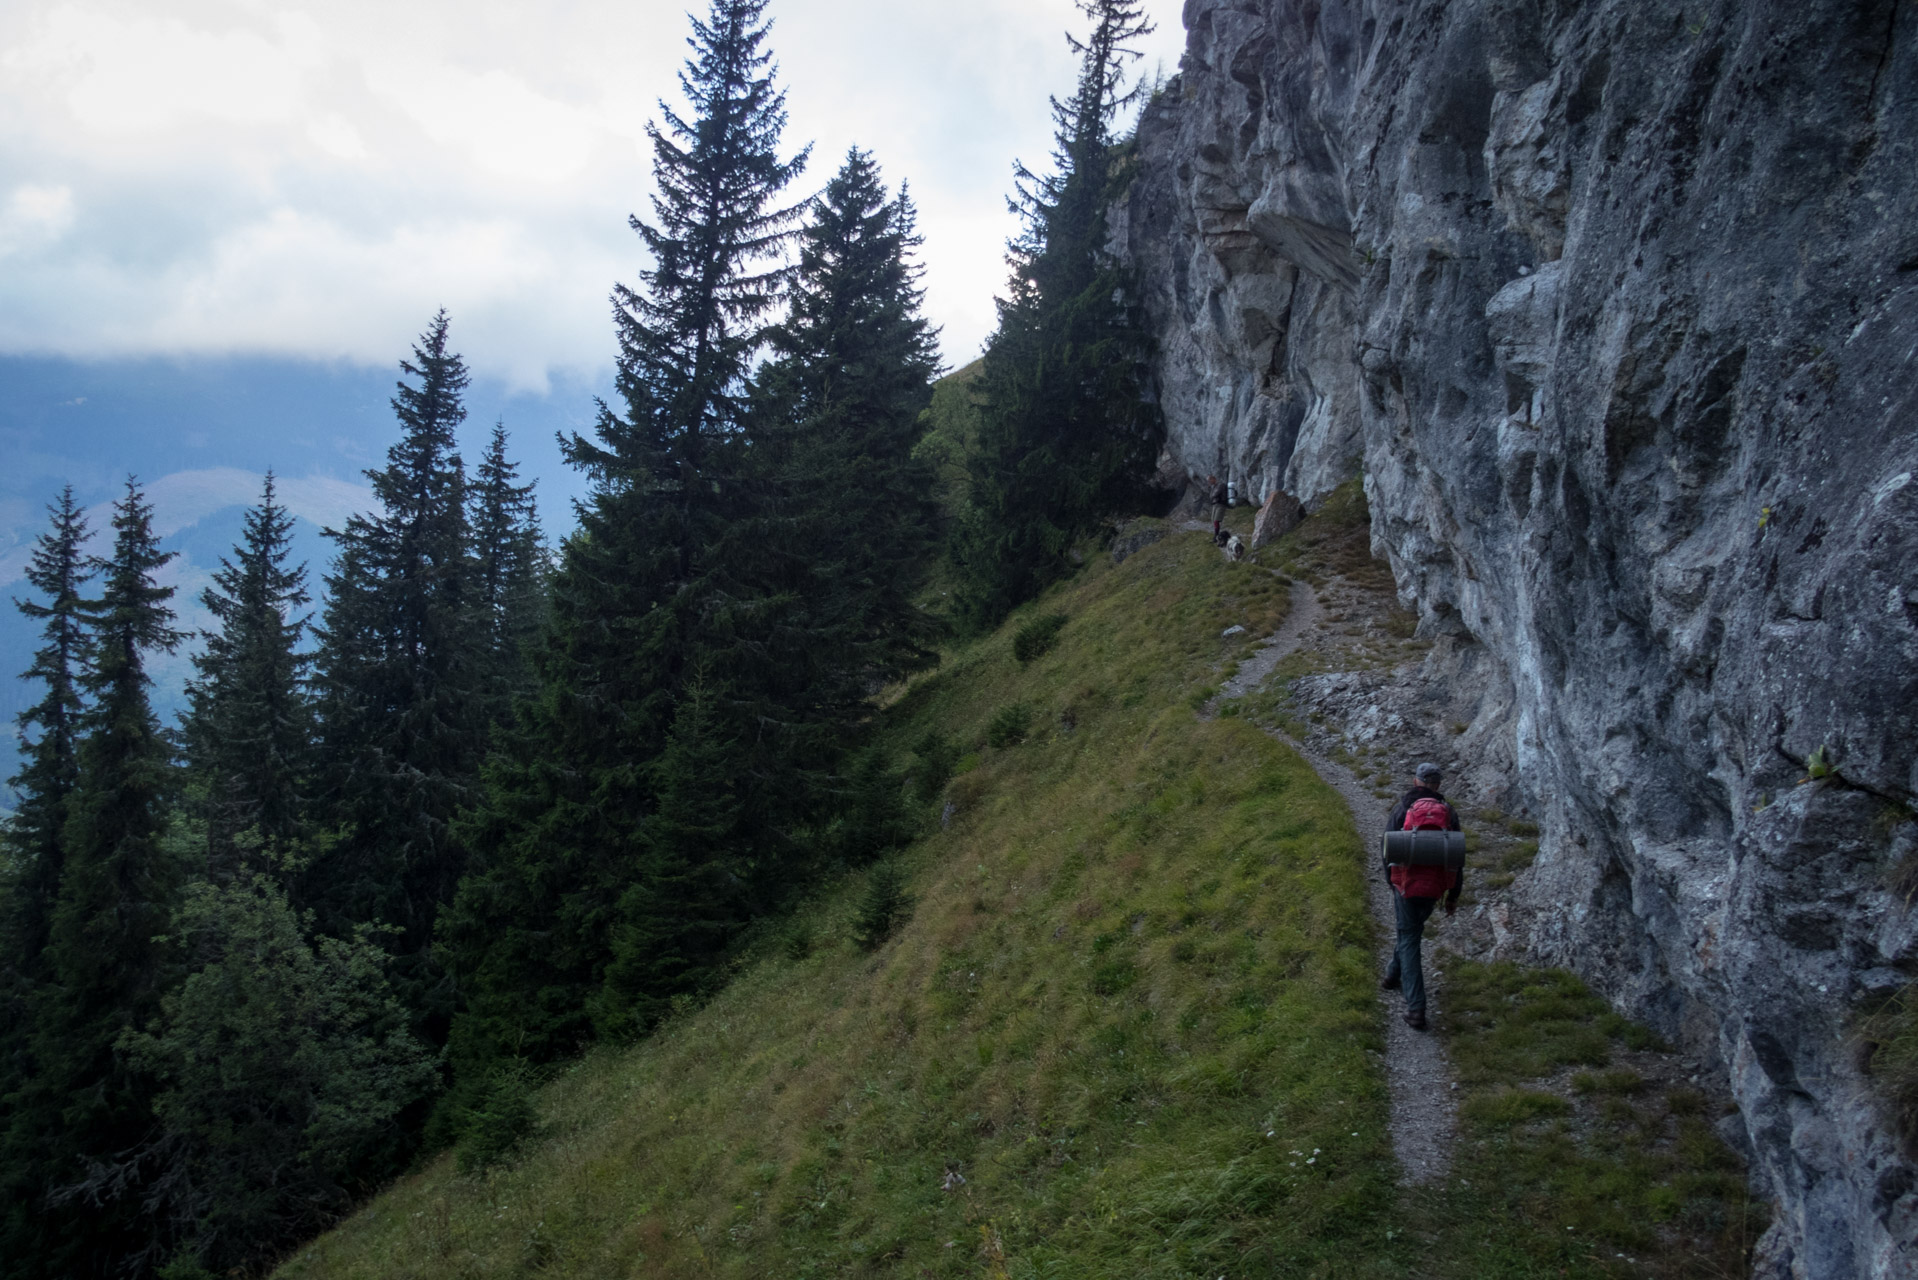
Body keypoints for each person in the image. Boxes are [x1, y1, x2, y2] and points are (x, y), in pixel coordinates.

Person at [1381, 762, 1462, 1031]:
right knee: (1411, 931)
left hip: (1406, 884)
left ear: (1416, 781)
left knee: (1410, 938)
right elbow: (1456, 858)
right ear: (1437, 785)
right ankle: (1393, 974)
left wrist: (1390, 882)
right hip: (1436, 887)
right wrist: (1453, 895)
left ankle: (1416, 1009)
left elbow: (1387, 847)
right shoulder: (1448, 812)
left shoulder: (1403, 807)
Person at [1208, 475, 1229, 545]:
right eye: (1208, 480)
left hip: (1220, 504)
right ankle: (1217, 537)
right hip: (1215, 504)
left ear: (1214, 479)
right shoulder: (1214, 486)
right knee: (1214, 520)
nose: (1209, 482)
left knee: (1216, 520)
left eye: (1210, 480)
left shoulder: (1220, 485)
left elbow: (1214, 494)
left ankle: (1217, 537)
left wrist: (1212, 496)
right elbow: (1212, 495)